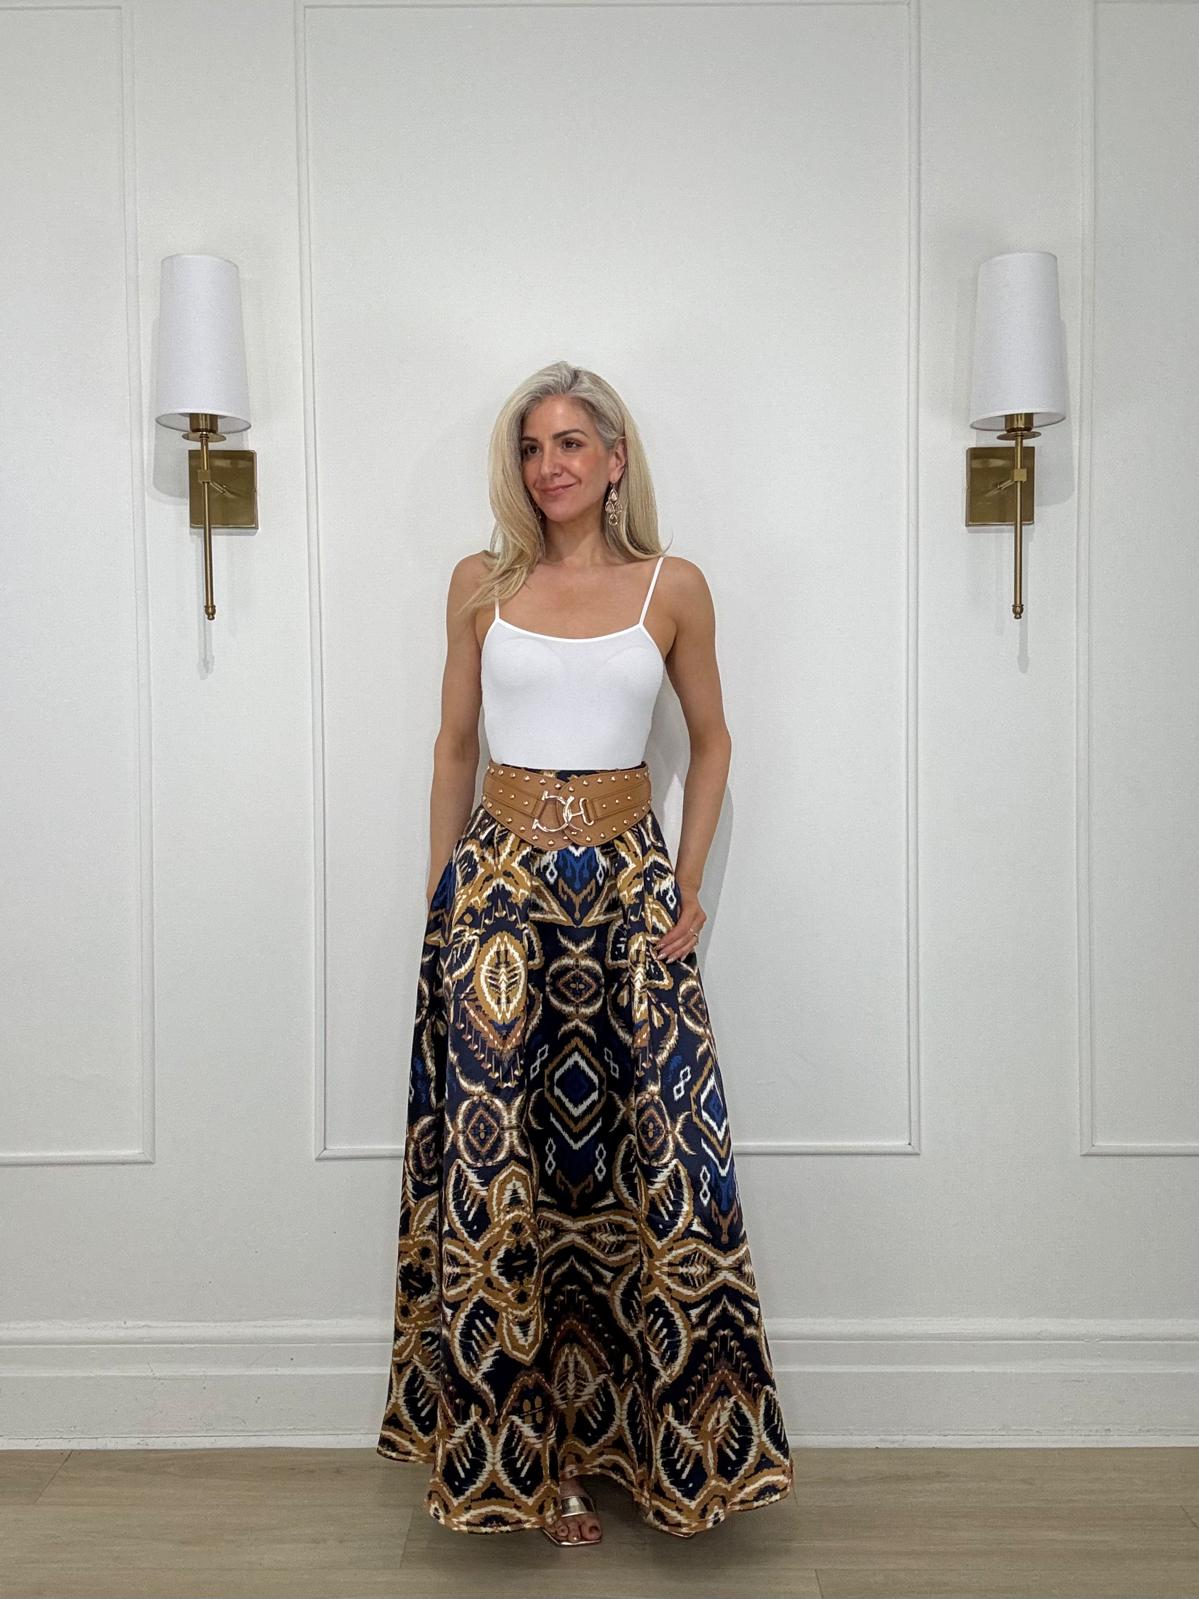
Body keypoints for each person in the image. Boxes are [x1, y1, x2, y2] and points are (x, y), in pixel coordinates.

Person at [376, 361, 794, 1545]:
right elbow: (453, 746)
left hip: (625, 898)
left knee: (648, 1165)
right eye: (529, 446)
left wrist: (687, 884)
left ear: (614, 460)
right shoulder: (479, 583)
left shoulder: (673, 586)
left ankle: (654, 1455)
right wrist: (443, 894)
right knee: (503, 1179)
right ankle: (528, 1464)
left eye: (568, 443)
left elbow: (710, 742)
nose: (546, 465)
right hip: (498, 903)